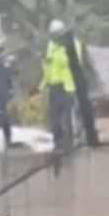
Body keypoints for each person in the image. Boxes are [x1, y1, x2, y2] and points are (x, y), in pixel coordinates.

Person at [39, 19, 82, 152]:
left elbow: (73, 62)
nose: (53, 38)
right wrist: (43, 84)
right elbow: (48, 66)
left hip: (68, 85)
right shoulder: (51, 45)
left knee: (67, 117)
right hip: (54, 84)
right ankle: (58, 144)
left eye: (56, 35)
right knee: (54, 118)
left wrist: (60, 51)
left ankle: (69, 144)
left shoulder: (73, 44)